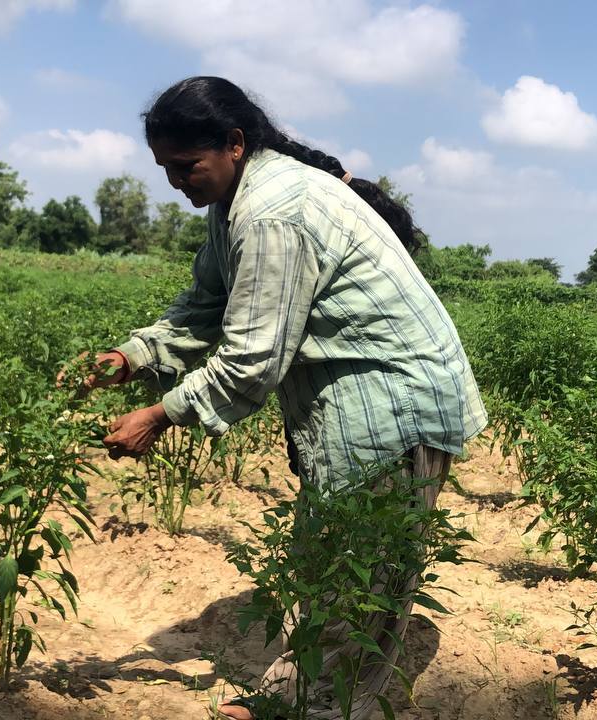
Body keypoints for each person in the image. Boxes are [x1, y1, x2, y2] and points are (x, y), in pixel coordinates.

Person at [77, 76, 487, 720]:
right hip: (356, 403)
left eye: (187, 165)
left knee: (356, 579)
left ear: (235, 144)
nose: (176, 182)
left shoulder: (274, 213)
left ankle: (302, 709)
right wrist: (133, 356)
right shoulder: (235, 205)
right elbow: (206, 304)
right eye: (165, 169)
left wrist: (159, 414)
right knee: (331, 563)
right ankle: (292, 702)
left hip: (392, 408)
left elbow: (252, 359)